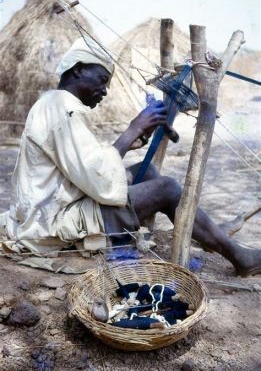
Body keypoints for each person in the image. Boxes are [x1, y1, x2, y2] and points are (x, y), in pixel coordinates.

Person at [0, 36, 260, 277]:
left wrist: (129, 142)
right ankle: (238, 256)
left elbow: (82, 166)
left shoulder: (56, 105)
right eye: (102, 80)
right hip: (51, 224)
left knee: (146, 172)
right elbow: (95, 176)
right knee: (167, 188)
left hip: (54, 209)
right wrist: (132, 129)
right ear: (78, 69)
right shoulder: (59, 106)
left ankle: (207, 233)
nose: (104, 91)